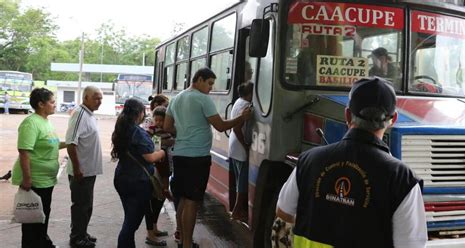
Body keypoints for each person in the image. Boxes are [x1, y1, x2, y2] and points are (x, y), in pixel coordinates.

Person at [276, 77, 428, 247]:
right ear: (393, 119)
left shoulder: (308, 161)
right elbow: (411, 244)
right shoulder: (403, 180)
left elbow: (283, 211)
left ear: (347, 114)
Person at [164, 67, 252, 248]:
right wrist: (241, 118)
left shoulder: (177, 98)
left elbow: (167, 126)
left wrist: (184, 133)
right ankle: (187, 243)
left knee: (183, 198)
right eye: (210, 83)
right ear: (200, 79)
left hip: (179, 155)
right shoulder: (203, 99)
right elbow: (220, 126)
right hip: (196, 158)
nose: (211, 88)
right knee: (192, 202)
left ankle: (181, 238)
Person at [11, 88, 66, 248]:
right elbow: (24, 152)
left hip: (47, 181)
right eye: (52, 102)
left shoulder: (46, 121)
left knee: (42, 216)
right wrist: (27, 179)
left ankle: (42, 242)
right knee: (31, 220)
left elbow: (52, 144)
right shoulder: (31, 123)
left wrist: (71, 143)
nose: (55, 105)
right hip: (35, 181)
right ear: (41, 104)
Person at [112, 98, 166, 248]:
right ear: (139, 113)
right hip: (138, 182)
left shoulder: (122, 128)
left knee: (129, 218)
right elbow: (149, 157)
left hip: (122, 178)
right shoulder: (137, 131)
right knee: (131, 223)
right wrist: (162, 153)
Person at [65, 86, 103, 248]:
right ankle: (77, 238)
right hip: (81, 171)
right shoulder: (79, 115)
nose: (99, 101)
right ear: (85, 98)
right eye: (96, 98)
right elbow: (71, 143)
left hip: (89, 171)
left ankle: (83, 233)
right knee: (80, 206)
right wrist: (77, 168)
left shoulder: (89, 115)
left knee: (87, 205)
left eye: (101, 98)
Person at [143, 105, 174, 247]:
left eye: (162, 120)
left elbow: (172, 141)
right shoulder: (151, 130)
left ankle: (154, 227)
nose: (159, 123)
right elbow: (148, 143)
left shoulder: (169, 131)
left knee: (161, 196)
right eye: (157, 120)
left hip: (165, 165)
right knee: (153, 199)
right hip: (156, 165)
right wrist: (163, 142)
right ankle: (151, 230)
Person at [228, 82, 253, 222]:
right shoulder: (245, 106)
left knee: (239, 180)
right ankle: (237, 211)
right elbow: (238, 128)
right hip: (239, 146)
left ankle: (238, 210)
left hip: (234, 145)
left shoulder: (239, 101)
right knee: (242, 183)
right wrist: (245, 145)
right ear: (250, 93)